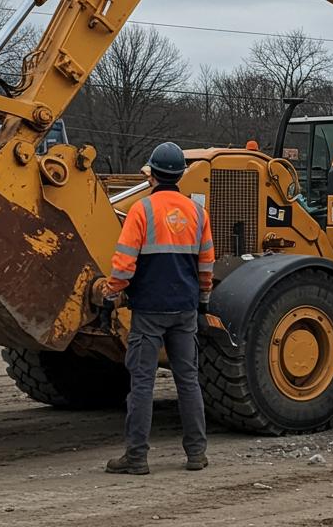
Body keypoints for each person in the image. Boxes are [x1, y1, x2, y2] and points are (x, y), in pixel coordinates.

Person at [101, 141, 215, 475]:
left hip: (149, 310)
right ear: (180, 174)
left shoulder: (141, 210)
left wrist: (111, 294)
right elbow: (206, 264)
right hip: (184, 309)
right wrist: (202, 302)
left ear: (151, 174)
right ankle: (196, 454)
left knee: (142, 384)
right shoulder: (197, 212)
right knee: (188, 381)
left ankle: (137, 457)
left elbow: (124, 264)